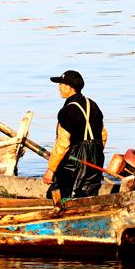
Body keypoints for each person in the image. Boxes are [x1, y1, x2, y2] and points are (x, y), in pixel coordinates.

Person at [42, 70, 107, 199]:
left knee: (60, 195)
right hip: (96, 157)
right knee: (89, 193)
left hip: (76, 160)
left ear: (69, 87)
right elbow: (103, 135)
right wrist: (94, 154)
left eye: (61, 84)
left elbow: (63, 143)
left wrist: (50, 170)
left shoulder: (66, 111)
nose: (58, 88)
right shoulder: (93, 105)